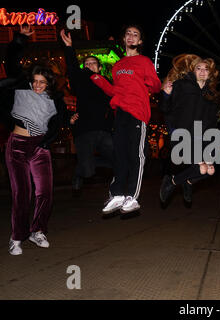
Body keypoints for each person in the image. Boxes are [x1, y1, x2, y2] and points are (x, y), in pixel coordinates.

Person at [2, 26, 66, 255]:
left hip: (39, 147)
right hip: (17, 146)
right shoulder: (21, 88)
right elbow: (11, 60)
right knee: (22, 193)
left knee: (45, 193)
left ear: (48, 83)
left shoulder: (54, 101)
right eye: (35, 81)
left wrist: (46, 142)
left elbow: (58, 124)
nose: (38, 85)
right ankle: (17, 237)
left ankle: (37, 231)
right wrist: (20, 39)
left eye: (42, 82)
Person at [91, 24, 161, 216]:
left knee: (136, 154)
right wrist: (97, 78)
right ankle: (118, 194)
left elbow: (155, 86)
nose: (131, 36)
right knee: (119, 154)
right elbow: (114, 90)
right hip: (120, 112)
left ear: (139, 42)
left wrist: (152, 83)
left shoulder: (144, 61)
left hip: (137, 112)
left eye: (135, 34)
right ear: (124, 39)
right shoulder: (118, 66)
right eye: (128, 33)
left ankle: (132, 195)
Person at [158, 54, 219, 206]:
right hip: (184, 134)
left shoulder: (210, 93)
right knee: (201, 167)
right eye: (199, 68)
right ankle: (171, 181)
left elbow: (211, 120)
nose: (203, 71)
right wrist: (165, 95)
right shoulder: (182, 85)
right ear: (193, 70)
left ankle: (188, 182)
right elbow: (165, 108)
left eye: (206, 69)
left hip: (203, 136)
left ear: (210, 73)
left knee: (209, 170)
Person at [60, 30, 114, 197]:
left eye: (93, 63)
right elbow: (72, 67)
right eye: (87, 64)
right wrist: (69, 47)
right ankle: (80, 171)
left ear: (99, 68)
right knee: (88, 171)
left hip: (103, 131)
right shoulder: (81, 81)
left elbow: (114, 106)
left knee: (119, 160)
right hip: (84, 130)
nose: (90, 65)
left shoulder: (107, 84)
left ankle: (87, 165)